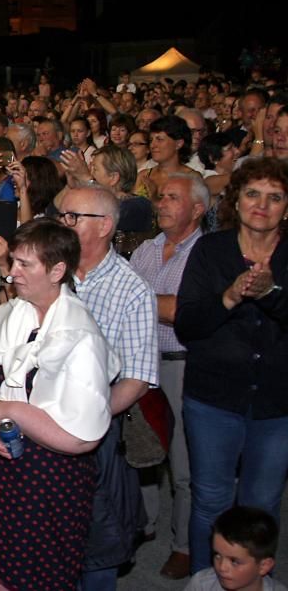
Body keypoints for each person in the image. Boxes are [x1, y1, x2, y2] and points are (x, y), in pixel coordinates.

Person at [0, 218, 119, 590]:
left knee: (40, 577)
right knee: (2, 568)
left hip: (47, 477)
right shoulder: (15, 311)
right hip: (3, 462)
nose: (11, 273)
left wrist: (8, 409)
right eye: (12, 261)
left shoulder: (80, 336)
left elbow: (83, 438)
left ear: (58, 270)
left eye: (23, 265)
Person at [175, 157, 288, 574]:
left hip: (277, 406)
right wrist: (230, 296)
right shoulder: (211, 250)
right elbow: (188, 323)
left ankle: (255, 582)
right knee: (211, 500)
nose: (262, 204)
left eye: (275, 197)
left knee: (262, 504)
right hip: (213, 400)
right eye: (253, 194)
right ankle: (208, 580)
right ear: (236, 201)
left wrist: (270, 292)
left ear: (286, 208)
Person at [56, 184, 159, 590]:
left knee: (96, 543)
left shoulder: (131, 289)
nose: (62, 224)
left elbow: (136, 379)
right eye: (61, 215)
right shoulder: (51, 271)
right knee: (46, 540)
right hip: (40, 424)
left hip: (95, 432)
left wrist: (83, 421)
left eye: (72, 217)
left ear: (105, 227)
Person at [130, 174, 208, 580]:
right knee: (141, 444)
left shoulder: (206, 254)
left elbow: (183, 310)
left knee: (182, 458)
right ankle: (144, 522)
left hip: (182, 361)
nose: (161, 204)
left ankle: (184, 544)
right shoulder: (146, 248)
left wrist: (139, 299)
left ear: (197, 209)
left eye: (172, 198)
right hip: (142, 357)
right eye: (160, 197)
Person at [184, 507, 287, 591]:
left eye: (234, 561)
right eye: (217, 555)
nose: (222, 567)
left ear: (263, 566)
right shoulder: (201, 585)